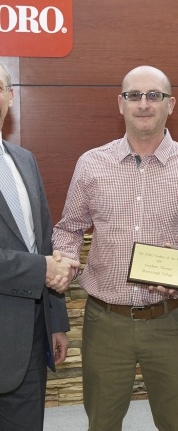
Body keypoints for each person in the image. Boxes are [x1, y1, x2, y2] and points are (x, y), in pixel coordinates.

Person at [52, 65, 178, 431]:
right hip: (107, 322)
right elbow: (69, 229)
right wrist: (66, 258)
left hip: (170, 318)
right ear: (120, 104)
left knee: (176, 422)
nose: (143, 104)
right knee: (102, 422)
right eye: (133, 95)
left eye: (154, 95)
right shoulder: (91, 164)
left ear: (171, 104)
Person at [0, 62, 79, 431]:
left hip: (28, 339)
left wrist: (56, 323)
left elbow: (44, 242)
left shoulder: (24, 161)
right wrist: (41, 269)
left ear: (10, 96)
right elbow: (41, 264)